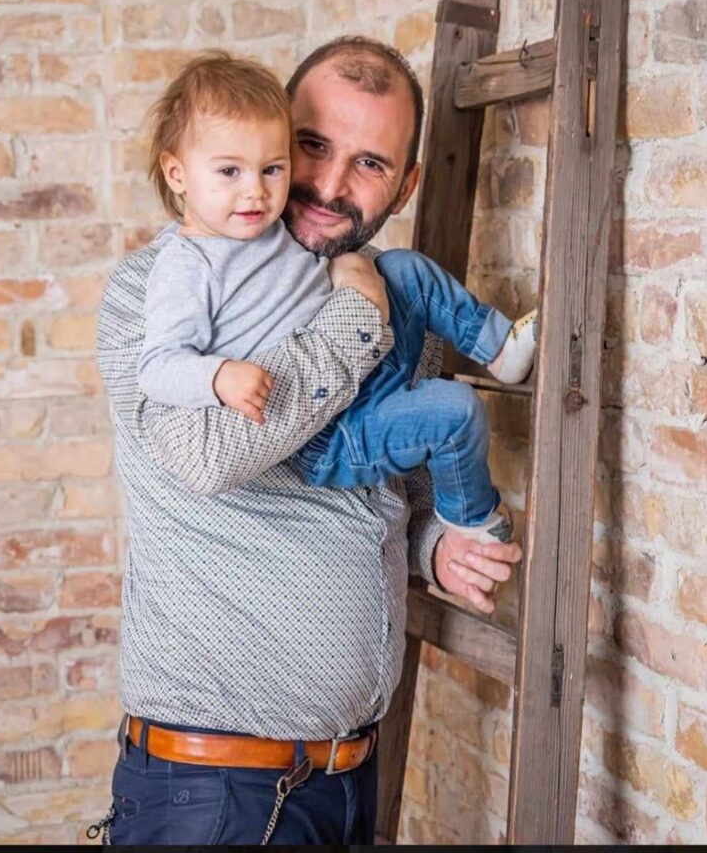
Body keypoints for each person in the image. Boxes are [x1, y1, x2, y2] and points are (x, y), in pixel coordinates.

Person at [94, 36, 523, 845]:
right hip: (217, 793)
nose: (327, 185)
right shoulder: (161, 289)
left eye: (370, 163)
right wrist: (355, 315)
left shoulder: (389, 298)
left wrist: (435, 549)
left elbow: (388, 488)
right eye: (312, 146)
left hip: (349, 778)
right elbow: (208, 457)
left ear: (405, 185)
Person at [136, 51, 537, 540]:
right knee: (457, 409)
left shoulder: (271, 226)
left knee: (404, 268)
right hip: (324, 435)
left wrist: (348, 265)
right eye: (229, 172)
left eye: (271, 168)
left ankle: (501, 348)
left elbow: (410, 479)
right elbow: (159, 370)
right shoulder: (180, 269)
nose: (255, 192)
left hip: (366, 389)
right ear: (177, 173)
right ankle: (472, 516)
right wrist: (217, 376)